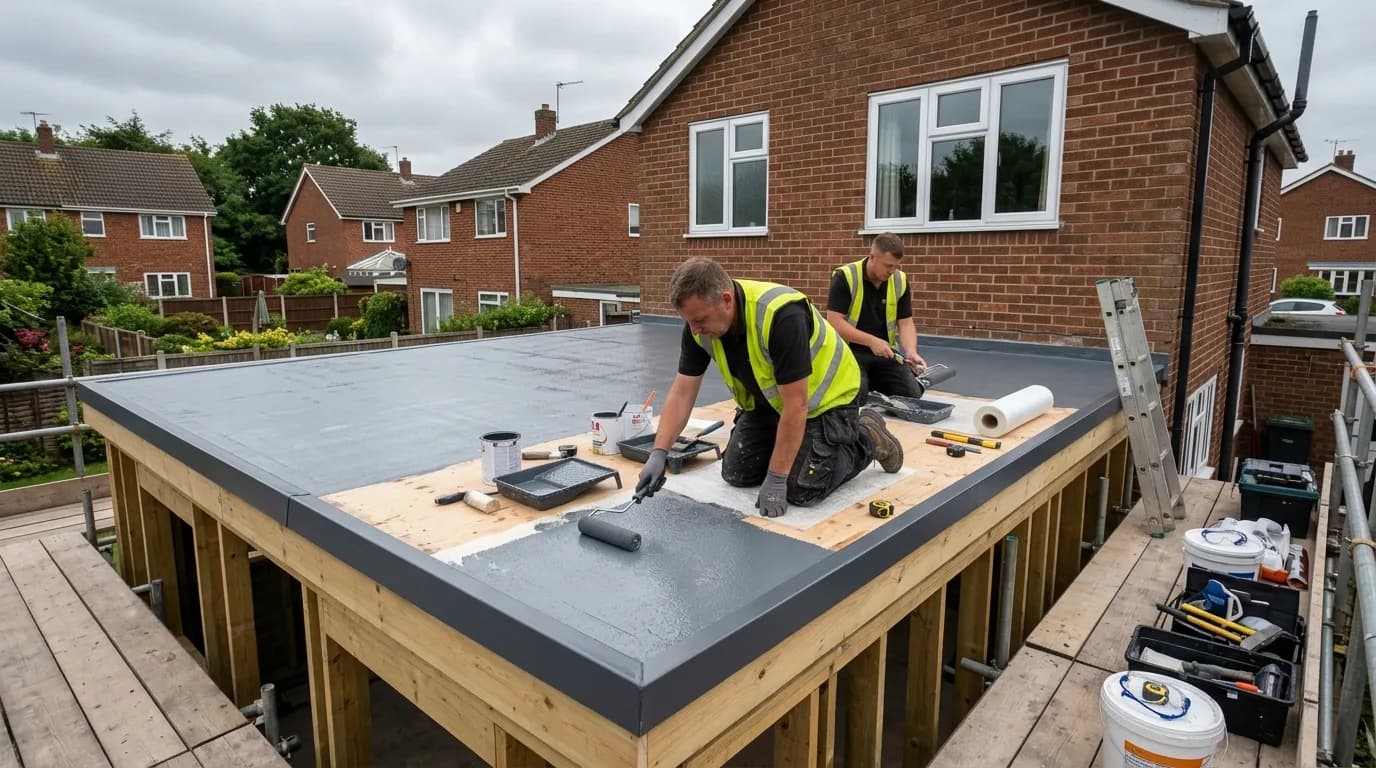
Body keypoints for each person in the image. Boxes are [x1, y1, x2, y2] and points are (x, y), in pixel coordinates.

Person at [634, 257, 904, 518]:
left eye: (700, 320)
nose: (694, 330)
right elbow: (682, 393)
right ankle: (796, 449)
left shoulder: (781, 316)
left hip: (827, 402)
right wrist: (659, 453)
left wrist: (777, 477)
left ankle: (868, 436)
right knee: (737, 474)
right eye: (689, 321)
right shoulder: (699, 325)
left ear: (726, 300)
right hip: (770, 405)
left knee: (799, 489)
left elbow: (796, 405)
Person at [826, 232, 925, 399]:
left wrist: (911, 352)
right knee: (857, 397)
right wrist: (871, 341)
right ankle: (864, 382)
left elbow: (906, 322)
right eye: (888, 265)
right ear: (872, 257)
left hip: (886, 353)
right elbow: (834, 322)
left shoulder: (899, 280)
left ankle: (871, 379)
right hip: (850, 352)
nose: (892, 271)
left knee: (912, 395)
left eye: (895, 266)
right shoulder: (845, 276)